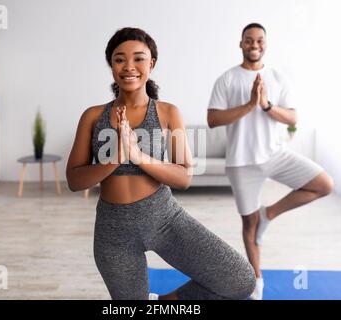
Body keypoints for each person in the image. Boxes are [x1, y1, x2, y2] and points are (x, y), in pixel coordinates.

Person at [66, 27, 255, 300]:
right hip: (113, 231)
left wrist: (137, 155)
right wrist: (116, 158)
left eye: (139, 58)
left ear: (151, 63)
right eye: (120, 59)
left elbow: (184, 177)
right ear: (111, 65)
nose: (129, 66)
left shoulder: (167, 112)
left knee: (240, 280)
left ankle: (165, 302)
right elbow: (74, 180)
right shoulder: (93, 116)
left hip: (164, 218)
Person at [207, 23, 334, 300]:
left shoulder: (277, 77)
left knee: (324, 184)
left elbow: (293, 118)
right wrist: (249, 105)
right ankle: (256, 283)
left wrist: (265, 105)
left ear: (266, 43)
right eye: (249, 40)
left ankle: (270, 213)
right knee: (249, 226)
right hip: (241, 162)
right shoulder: (227, 79)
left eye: (260, 40)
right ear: (241, 44)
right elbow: (213, 119)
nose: (255, 44)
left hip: (275, 155)